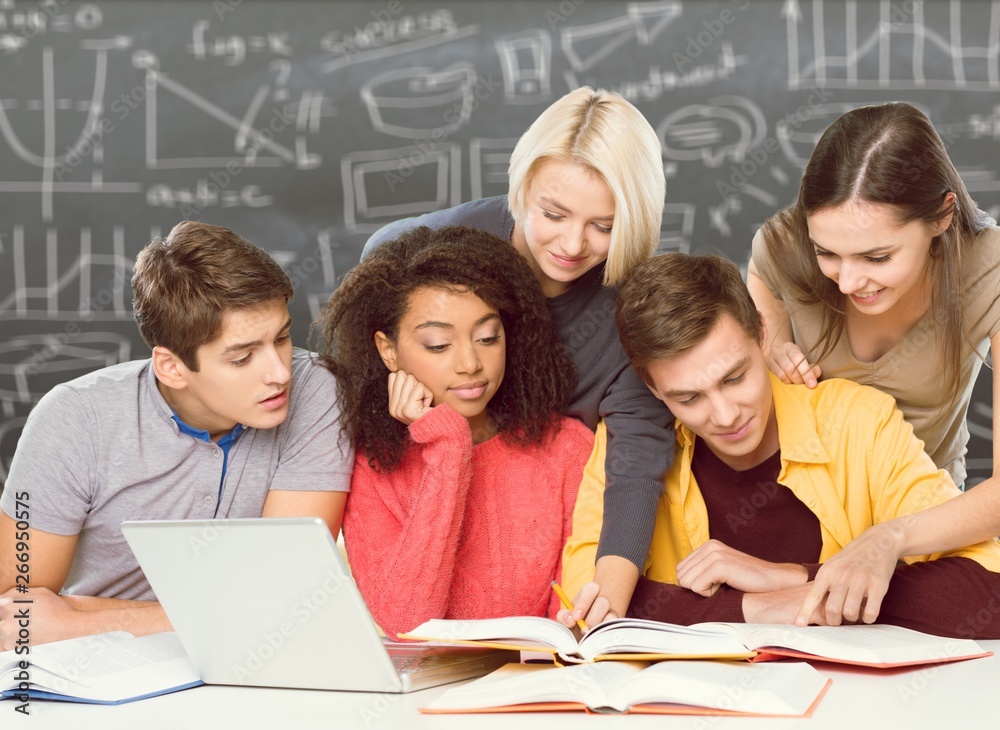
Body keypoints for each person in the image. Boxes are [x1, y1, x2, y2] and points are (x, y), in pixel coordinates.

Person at [559, 252, 1000, 638]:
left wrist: (791, 580)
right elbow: (591, 611)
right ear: (653, 390)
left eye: (735, 378)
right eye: (688, 398)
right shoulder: (629, 443)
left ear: (763, 335)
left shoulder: (859, 422)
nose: (726, 415)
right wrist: (758, 608)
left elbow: (987, 590)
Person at [362, 87, 672, 621]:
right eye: (553, 213)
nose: (573, 244)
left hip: (547, 539)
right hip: (423, 513)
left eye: (604, 226)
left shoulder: (631, 312)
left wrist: (609, 593)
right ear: (523, 185)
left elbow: (638, 457)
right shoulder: (432, 248)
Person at [0, 222, 353, 650]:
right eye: (242, 357)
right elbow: (15, 608)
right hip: (95, 670)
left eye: (281, 338)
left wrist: (81, 620)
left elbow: (283, 598)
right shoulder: (72, 418)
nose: (280, 373)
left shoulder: (317, 390)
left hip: (249, 660)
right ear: (170, 367)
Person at [746, 101, 1000, 627]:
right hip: (797, 529)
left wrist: (888, 539)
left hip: (925, 534)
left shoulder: (990, 271)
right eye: (827, 254)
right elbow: (763, 286)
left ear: (943, 216)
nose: (845, 282)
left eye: (877, 258)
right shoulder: (783, 245)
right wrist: (770, 346)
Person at [315, 225, 594, 639]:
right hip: (423, 697)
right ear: (387, 349)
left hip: (541, 688)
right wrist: (447, 446)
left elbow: (570, 623)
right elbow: (408, 622)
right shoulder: (370, 465)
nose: (470, 362)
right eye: (438, 345)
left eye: (487, 337)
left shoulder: (566, 448)